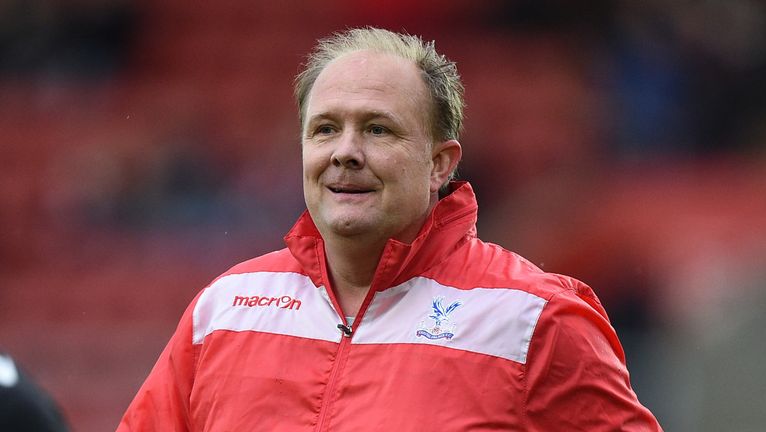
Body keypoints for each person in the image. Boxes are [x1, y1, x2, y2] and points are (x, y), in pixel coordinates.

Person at [118, 27, 662, 431]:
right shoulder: (226, 309)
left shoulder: (532, 322)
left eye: (378, 129)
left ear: (440, 164)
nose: (345, 153)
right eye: (326, 129)